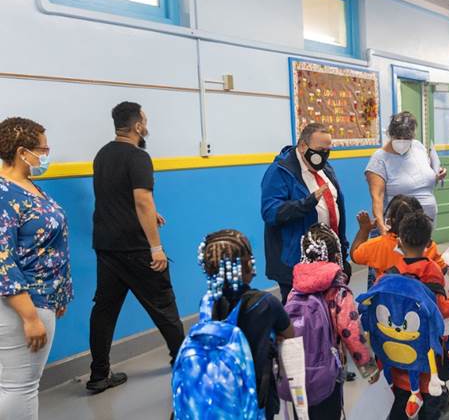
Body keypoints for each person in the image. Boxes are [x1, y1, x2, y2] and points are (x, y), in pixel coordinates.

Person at [87, 102, 184, 393]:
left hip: (107, 248)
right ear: (138, 126)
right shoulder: (138, 157)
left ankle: (99, 375)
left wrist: (149, 213)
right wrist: (156, 246)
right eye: (145, 119)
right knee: (165, 307)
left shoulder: (102, 154)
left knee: (103, 311)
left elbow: (115, 196)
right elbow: (141, 199)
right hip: (136, 249)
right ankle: (184, 363)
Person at [0, 117, 73, 419]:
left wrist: (61, 295)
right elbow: (2, 260)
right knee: (20, 387)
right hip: (23, 304)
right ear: (22, 152)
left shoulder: (27, 185)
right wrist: (29, 316)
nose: (45, 155)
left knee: (17, 385)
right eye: (43, 149)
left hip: (44, 298)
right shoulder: (4, 193)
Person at [199, 229, 295, 420]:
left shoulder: (206, 304)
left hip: (220, 396)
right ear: (247, 266)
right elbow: (290, 334)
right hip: (257, 394)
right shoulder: (266, 303)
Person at [290, 223, 379, 419]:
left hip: (298, 371)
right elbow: (351, 332)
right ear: (336, 256)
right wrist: (368, 367)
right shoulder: (338, 291)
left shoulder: (295, 288)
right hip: (328, 372)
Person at [385, 211, 449, 420]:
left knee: (402, 397)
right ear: (429, 241)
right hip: (427, 359)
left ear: (400, 241)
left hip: (398, 354)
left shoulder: (391, 273)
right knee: (431, 403)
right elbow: (443, 310)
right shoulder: (431, 270)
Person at [261, 123, 349, 304]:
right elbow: (271, 213)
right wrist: (308, 202)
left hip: (329, 260)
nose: (323, 155)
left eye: (327, 150)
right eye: (319, 149)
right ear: (302, 146)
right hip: (295, 263)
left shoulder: (325, 168)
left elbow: (337, 208)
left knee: (331, 314)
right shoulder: (280, 171)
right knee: (302, 319)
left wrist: (342, 250)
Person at [365, 112, 446, 234]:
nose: (402, 141)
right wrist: (381, 226)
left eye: (407, 138)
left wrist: (437, 174)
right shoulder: (379, 159)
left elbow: (424, 175)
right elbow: (377, 198)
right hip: (399, 226)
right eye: (398, 138)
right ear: (391, 134)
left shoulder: (418, 147)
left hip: (426, 224)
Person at [351, 195, 446, 281]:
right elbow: (442, 269)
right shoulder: (428, 245)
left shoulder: (378, 245)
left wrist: (364, 229)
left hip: (387, 297)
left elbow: (355, 256)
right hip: (422, 298)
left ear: (391, 220)